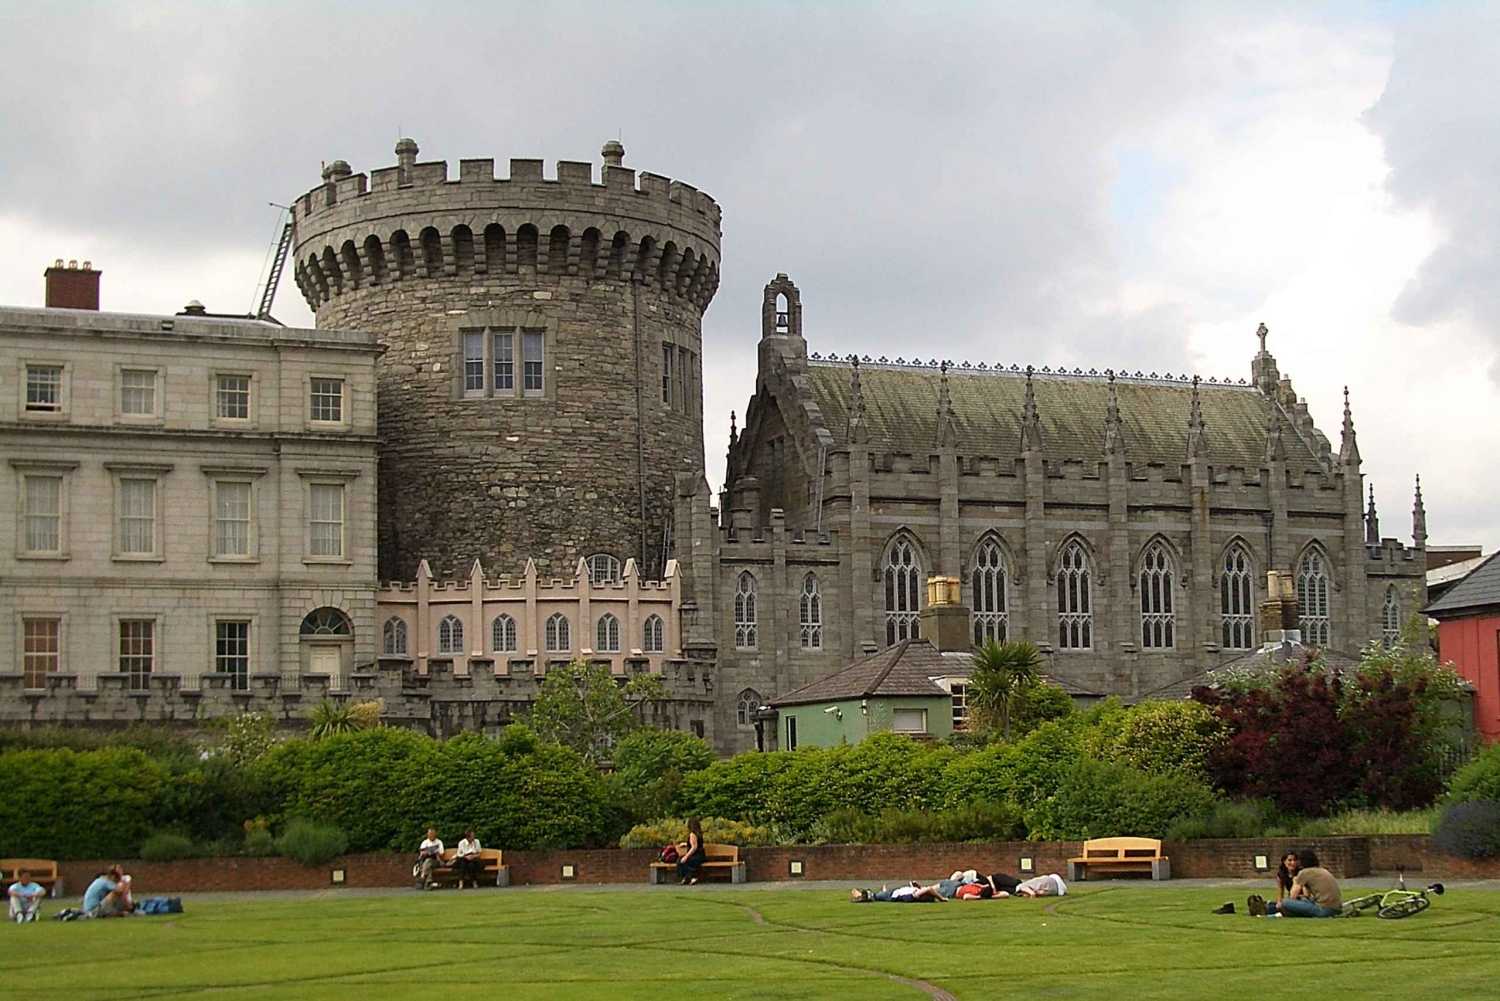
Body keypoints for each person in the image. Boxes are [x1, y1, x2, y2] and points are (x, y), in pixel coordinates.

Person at [1248, 851, 1341, 918]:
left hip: (1323, 910)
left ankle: (1266, 908)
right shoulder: (1323, 870)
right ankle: (1266, 906)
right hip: (1336, 907)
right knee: (1302, 902)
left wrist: (1296, 881)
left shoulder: (1304, 873)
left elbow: (1292, 896)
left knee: (1286, 903)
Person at [850, 881, 950, 903]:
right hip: (893, 893)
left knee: (875, 896)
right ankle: (882, 892)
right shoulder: (917, 892)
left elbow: (929, 889)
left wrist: (941, 898)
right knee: (882, 894)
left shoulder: (915, 895)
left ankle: (861, 895)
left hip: (893, 895)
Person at [676, 818, 706, 885]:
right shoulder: (699, 834)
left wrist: (686, 857)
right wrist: (686, 844)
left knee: (680, 861)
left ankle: (690, 877)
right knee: (683, 862)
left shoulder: (692, 834)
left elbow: (694, 847)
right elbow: (697, 844)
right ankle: (689, 878)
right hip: (701, 856)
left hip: (696, 856)